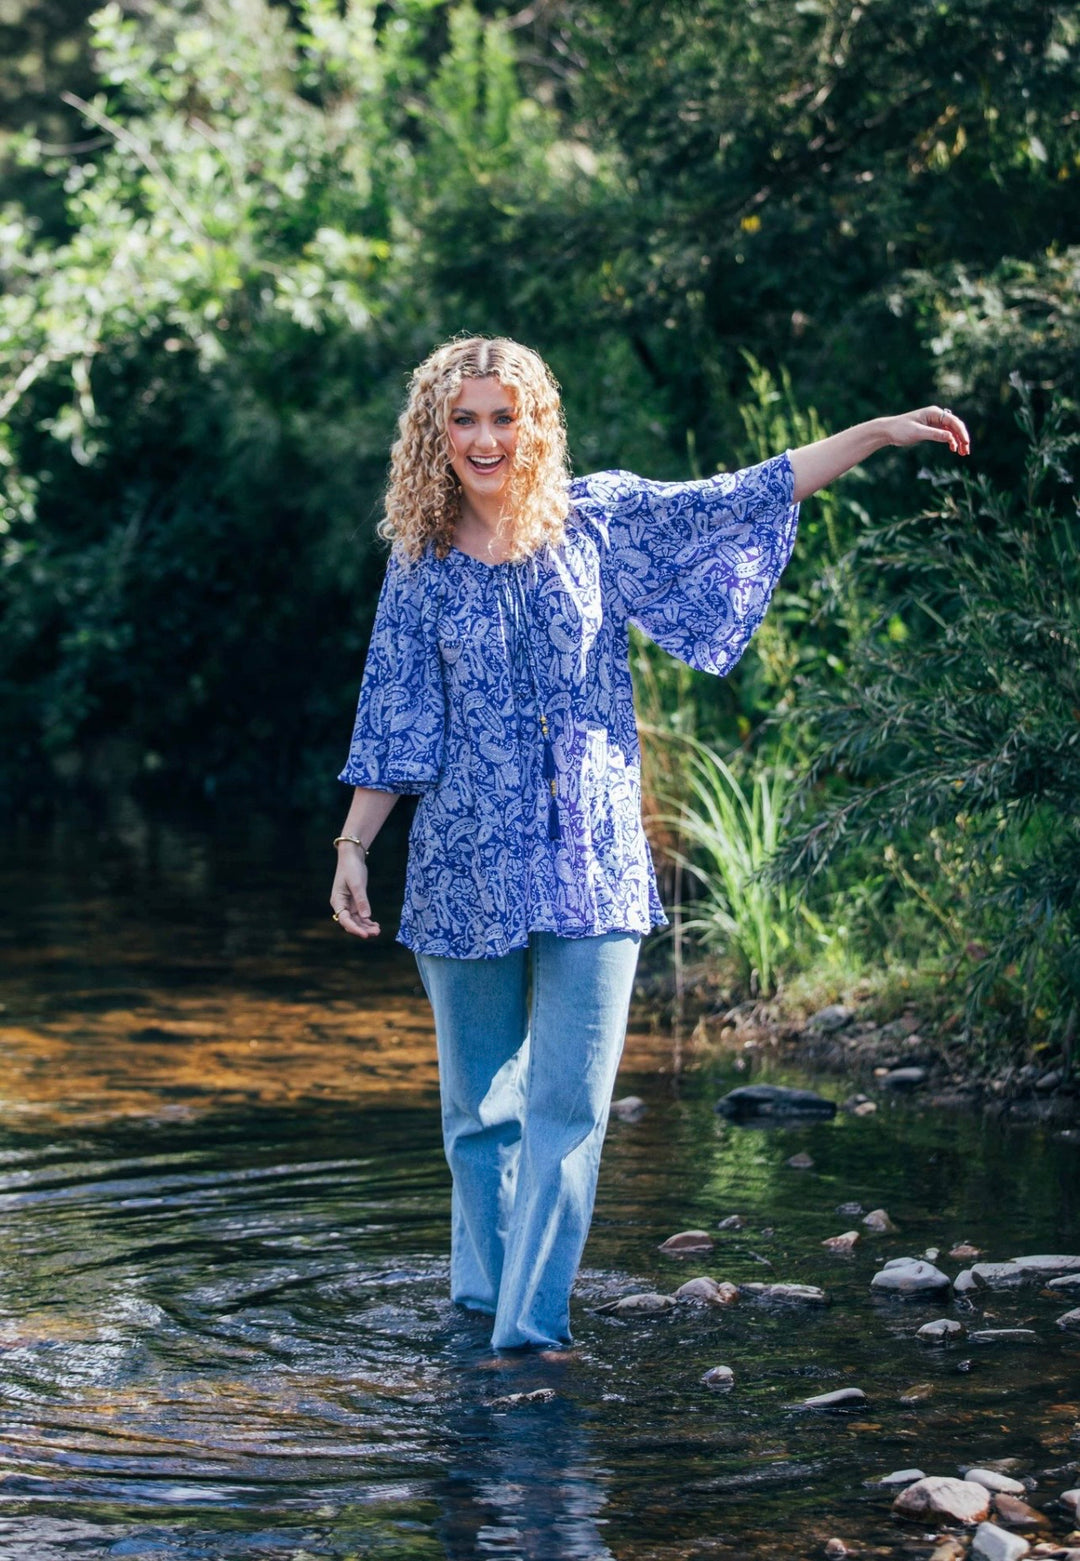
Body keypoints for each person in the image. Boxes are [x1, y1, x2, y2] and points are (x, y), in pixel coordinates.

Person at [329, 335, 969, 1353]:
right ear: (434, 435)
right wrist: (355, 846)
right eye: (465, 419)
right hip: (463, 866)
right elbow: (398, 718)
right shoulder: (420, 565)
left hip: (593, 862)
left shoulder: (599, 522)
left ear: (536, 424)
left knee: (569, 1111)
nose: (486, 438)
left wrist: (879, 434)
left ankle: (526, 1340)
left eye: (504, 417)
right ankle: (477, 1323)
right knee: (477, 1118)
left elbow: (742, 495)